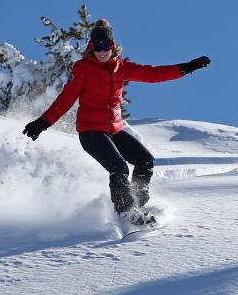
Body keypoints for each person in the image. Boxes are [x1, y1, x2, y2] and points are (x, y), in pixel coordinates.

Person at [22, 19, 210, 227]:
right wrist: (43, 122)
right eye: (98, 47)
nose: (103, 52)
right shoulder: (83, 68)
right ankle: (125, 212)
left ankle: (137, 203)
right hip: (91, 131)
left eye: (107, 46)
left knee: (145, 160)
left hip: (114, 130)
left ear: (113, 46)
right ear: (91, 47)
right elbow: (66, 98)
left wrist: (186, 68)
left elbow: (153, 74)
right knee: (119, 167)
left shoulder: (121, 67)